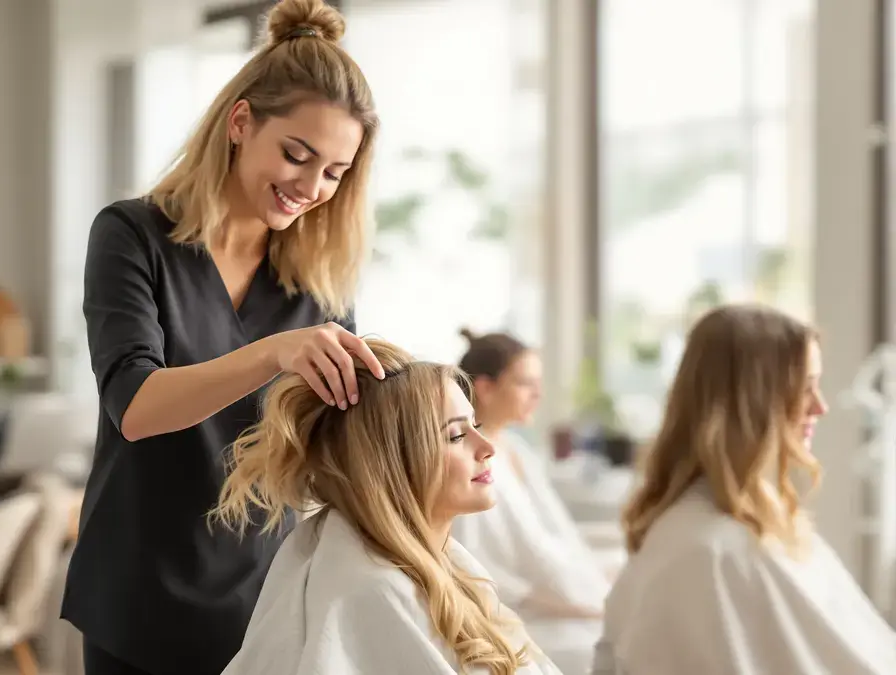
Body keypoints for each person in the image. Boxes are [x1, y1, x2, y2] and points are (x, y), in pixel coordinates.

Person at [60, 1, 384, 674]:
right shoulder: (131, 237)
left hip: (265, 595)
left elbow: (336, 442)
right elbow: (137, 406)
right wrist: (273, 352)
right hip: (139, 595)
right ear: (241, 122)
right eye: (297, 155)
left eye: (333, 172)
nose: (310, 187)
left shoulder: (318, 284)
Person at [215, 337, 563, 675]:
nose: (487, 447)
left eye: (476, 426)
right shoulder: (371, 592)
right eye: (456, 436)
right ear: (395, 461)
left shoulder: (449, 568)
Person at [592, 304, 896, 674]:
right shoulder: (711, 551)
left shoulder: (745, 527)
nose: (821, 406)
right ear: (754, 401)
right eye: (805, 388)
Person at [449, 330, 611, 674]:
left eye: (538, 383)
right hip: (522, 619)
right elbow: (512, 573)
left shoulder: (517, 451)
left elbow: (559, 542)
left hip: (562, 603)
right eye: (525, 383)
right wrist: (593, 604)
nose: (537, 394)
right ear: (486, 388)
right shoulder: (473, 471)